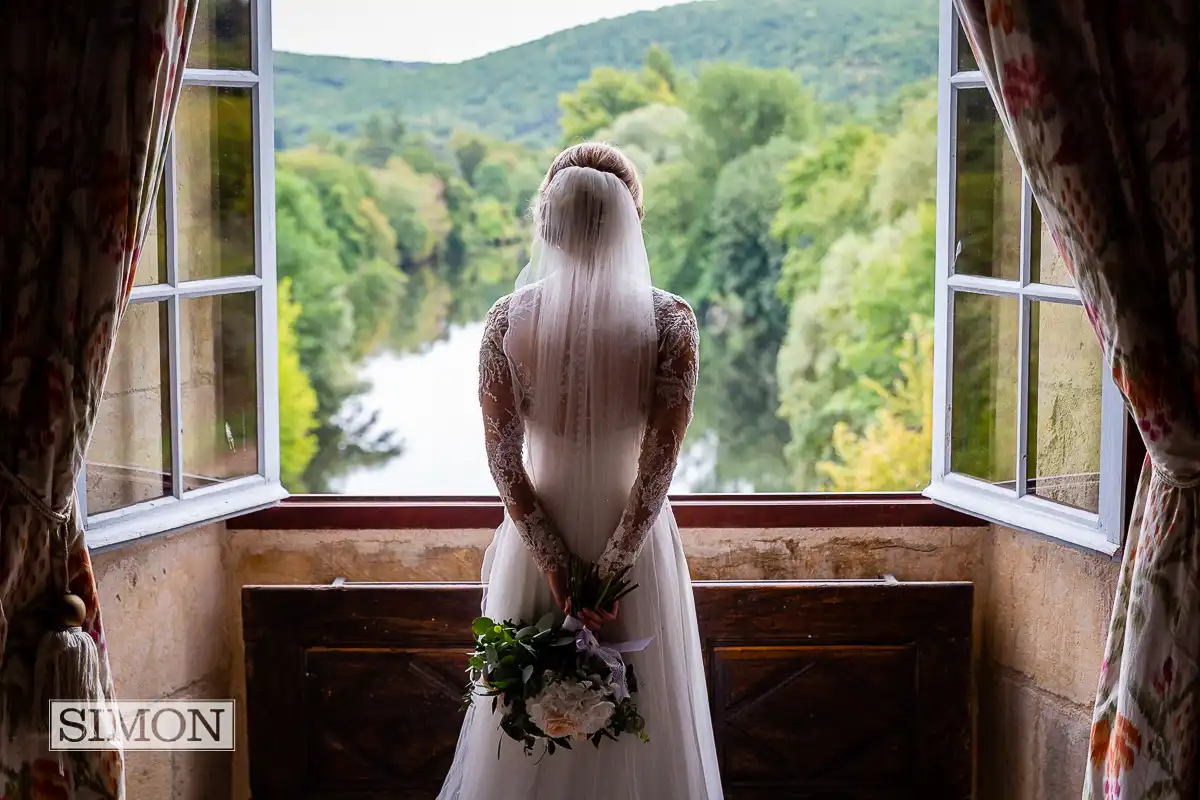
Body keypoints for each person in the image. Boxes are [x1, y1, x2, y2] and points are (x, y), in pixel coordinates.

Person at [438, 142, 722, 799]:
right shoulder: (671, 322)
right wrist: (612, 569)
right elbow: (658, 467)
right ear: (632, 221)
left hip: (542, 536)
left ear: (548, 225)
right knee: (645, 716)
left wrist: (556, 566)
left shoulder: (506, 323)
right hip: (635, 546)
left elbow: (504, 463)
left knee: (525, 721)